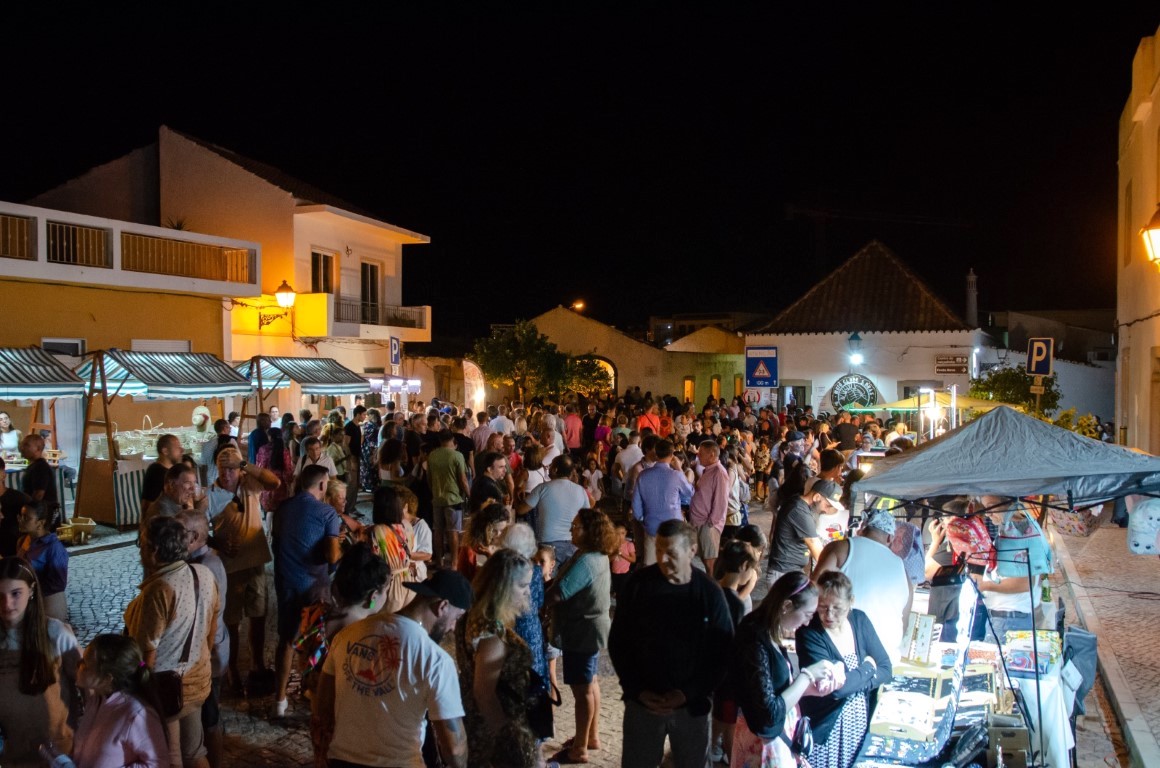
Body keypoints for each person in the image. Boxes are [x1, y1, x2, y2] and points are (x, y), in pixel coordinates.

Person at [313, 570, 472, 768]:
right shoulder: (436, 660)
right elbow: (455, 749)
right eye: (457, 617)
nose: (453, 627)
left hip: (342, 762)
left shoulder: (348, 635)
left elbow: (322, 709)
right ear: (443, 606)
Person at [609, 519, 734, 768]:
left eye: (671, 553)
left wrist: (688, 693)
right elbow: (619, 642)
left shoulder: (709, 593)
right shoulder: (638, 585)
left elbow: (722, 652)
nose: (663, 560)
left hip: (691, 707)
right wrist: (637, 690)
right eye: (659, 551)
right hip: (644, 703)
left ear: (692, 551)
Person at [125, 516, 219, 768]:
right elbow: (211, 627)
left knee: (171, 756)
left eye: (141, 544)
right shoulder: (204, 574)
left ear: (154, 550)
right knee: (194, 751)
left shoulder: (158, 590)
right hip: (198, 679)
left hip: (165, 688)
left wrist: (141, 690)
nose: (140, 551)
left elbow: (146, 652)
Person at [729, 571, 835, 768]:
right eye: (807, 615)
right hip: (761, 745)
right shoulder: (754, 638)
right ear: (786, 606)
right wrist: (807, 676)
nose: (806, 623)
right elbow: (769, 713)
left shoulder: (769, 630)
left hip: (775, 738)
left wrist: (810, 688)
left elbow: (776, 690)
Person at [297, 543, 390, 768]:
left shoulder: (318, 617)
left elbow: (305, 667)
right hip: (350, 729)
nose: (387, 595)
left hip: (319, 719)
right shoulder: (364, 636)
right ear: (373, 596)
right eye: (386, 590)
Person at [796, 571, 892, 768]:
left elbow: (886, 668)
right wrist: (867, 669)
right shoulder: (809, 632)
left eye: (837, 608)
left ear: (851, 602)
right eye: (823, 607)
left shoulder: (860, 620)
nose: (829, 615)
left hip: (857, 727)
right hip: (824, 730)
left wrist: (856, 683)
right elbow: (835, 689)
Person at [545, 508, 617, 764]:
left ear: (590, 531)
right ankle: (590, 737)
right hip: (589, 629)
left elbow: (560, 592)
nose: (571, 530)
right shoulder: (594, 555)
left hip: (582, 630)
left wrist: (539, 601)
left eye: (576, 526)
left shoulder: (587, 561)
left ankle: (580, 748)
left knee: (582, 689)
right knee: (591, 682)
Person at [455, 549, 539, 768]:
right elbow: (484, 694)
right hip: (494, 729)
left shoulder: (474, 616)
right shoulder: (491, 633)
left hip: (482, 723)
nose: (528, 592)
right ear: (502, 587)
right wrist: (510, 741)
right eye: (522, 585)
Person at [205, 445, 279, 694]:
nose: (226, 474)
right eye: (222, 469)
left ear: (240, 470)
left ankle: (257, 664)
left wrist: (245, 464)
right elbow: (200, 529)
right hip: (229, 568)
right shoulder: (211, 495)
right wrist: (217, 543)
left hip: (255, 562)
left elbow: (274, 483)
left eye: (232, 469)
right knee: (231, 622)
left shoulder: (249, 485)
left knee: (258, 616)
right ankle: (232, 669)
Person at [271, 464, 342, 718]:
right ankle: (314, 694)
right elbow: (332, 556)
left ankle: (279, 701)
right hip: (314, 587)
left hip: (286, 582)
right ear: (322, 484)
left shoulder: (282, 509)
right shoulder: (327, 513)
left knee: (286, 640)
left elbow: (277, 544)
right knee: (317, 642)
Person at [0, 556, 81, 766]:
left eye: (15, 593)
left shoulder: (55, 633)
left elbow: (88, 686)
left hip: (60, 753)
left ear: (32, 590)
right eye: (0, 596)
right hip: (15, 755)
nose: (7, 604)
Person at [812, 505, 911, 663]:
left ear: (862, 529)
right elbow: (905, 621)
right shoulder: (903, 569)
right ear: (890, 538)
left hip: (844, 652)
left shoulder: (841, 548)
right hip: (887, 657)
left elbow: (813, 590)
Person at [177, 509, 228, 768]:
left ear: (195, 537)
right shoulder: (201, 562)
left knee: (209, 717)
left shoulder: (205, 567)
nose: (175, 537)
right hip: (206, 653)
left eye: (180, 533)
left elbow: (205, 621)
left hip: (209, 655)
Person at [72, 634, 168, 768]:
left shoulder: (136, 714)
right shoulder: (96, 700)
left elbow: (159, 763)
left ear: (107, 678)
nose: (78, 664)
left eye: (85, 664)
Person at [631, 438, 693, 566]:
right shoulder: (676, 475)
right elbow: (689, 492)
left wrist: (643, 519)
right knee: (673, 566)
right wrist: (679, 468)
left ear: (656, 454)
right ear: (672, 455)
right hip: (673, 528)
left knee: (651, 567)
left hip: (651, 526)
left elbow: (636, 505)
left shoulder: (643, 475)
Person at [765, 467, 832, 584]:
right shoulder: (798, 510)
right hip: (784, 573)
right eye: (827, 505)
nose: (826, 510)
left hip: (790, 571)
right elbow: (815, 546)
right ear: (817, 497)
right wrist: (832, 574)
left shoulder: (801, 506)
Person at [16, 500, 69, 622]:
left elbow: (58, 584)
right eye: (20, 516)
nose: (20, 520)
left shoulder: (53, 547)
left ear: (40, 523)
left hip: (47, 607)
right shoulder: (23, 541)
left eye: (26, 518)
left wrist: (29, 589)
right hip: (26, 606)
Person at [367, 485, 416, 614]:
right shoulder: (407, 526)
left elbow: (374, 559)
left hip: (391, 585)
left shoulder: (377, 531)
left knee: (388, 622)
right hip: (409, 581)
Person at [428, 429, 470, 569]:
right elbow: (463, 480)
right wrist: (469, 495)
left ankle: (439, 561)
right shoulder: (457, 455)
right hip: (453, 498)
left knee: (437, 530)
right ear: (452, 439)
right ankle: (454, 562)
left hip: (437, 497)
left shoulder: (432, 455)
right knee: (453, 531)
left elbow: (429, 478)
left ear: (440, 440)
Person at [688, 439, 729, 576]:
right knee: (706, 561)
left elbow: (721, 501)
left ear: (712, 454)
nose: (698, 455)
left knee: (710, 563)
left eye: (701, 453)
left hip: (708, 524)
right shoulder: (708, 471)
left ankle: (712, 588)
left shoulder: (719, 473)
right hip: (701, 522)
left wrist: (711, 523)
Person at [456, 501, 509, 582]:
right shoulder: (470, 551)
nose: (498, 534)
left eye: (502, 530)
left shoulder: (507, 547)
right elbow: (462, 581)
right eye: (494, 530)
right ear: (483, 528)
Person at [20, 433, 61, 530]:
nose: (22, 448)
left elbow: (38, 494)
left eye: (26, 445)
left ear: (38, 449)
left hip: (43, 515)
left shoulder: (40, 467)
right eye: (22, 445)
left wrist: (28, 510)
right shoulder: (34, 466)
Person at [256, 427, 295, 514]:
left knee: (269, 512)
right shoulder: (284, 451)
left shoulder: (263, 450)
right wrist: (290, 484)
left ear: (270, 437)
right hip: (281, 486)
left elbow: (259, 466)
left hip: (266, 484)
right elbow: (288, 470)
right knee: (280, 512)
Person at [0, 456, 32, 556]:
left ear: (3, 475)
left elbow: (35, 530)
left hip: (14, 557)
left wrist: (22, 552)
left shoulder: (21, 500)